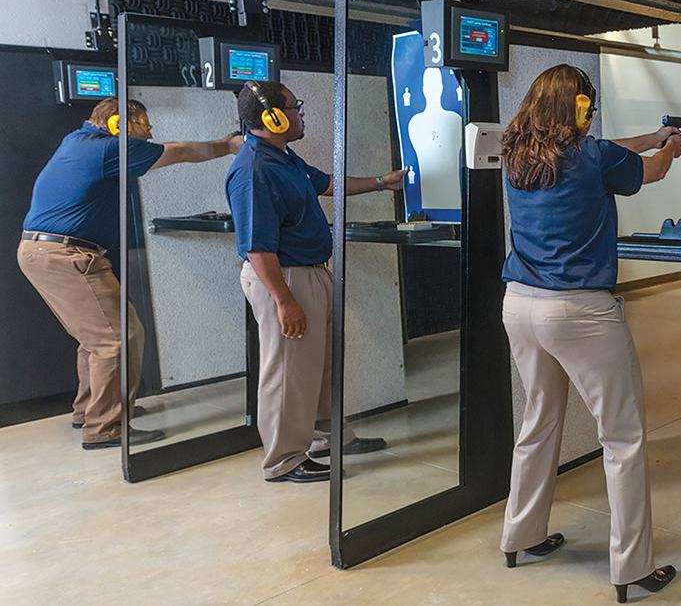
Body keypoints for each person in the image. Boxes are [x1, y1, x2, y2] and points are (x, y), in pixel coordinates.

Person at [497, 65, 681, 603]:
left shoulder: (518, 153)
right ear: (579, 109)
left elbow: (597, 149)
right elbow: (649, 172)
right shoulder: (595, 157)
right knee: (623, 437)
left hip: (520, 305)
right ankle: (632, 567)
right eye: (588, 107)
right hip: (579, 309)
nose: (592, 116)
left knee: (538, 421)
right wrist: (668, 148)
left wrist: (650, 135)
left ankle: (522, 535)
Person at [18, 98, 242, 449]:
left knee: (97, 338)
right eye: (143, 124)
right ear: (118, 125)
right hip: (65, 254)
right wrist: (226, 145)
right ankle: (105, 427)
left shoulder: (77, 142)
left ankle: (89, 412)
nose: (149, 132)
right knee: (119, 337)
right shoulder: (108, 150)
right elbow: (180, 151)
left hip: (47, 252)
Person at [225, 80, 401, 484]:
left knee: (316, 366)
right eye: (295, 107)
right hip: (284, 278)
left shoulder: (283, 157)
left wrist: (380, 182)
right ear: (271, 117)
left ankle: (325, 437)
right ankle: (284, 461)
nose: (302, 113)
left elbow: (327, 184)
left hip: (309, 273)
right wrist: (285, 301)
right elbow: (257, 249)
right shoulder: (254, 171)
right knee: (287, 372)